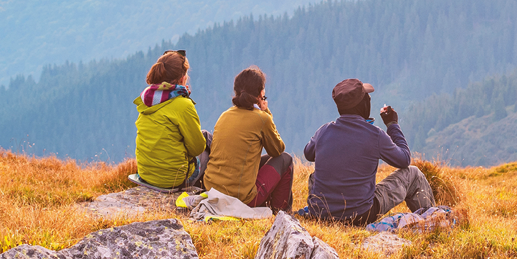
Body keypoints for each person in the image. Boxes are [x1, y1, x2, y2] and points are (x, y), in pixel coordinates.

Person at [303, 78, 434, 225]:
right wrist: (392, 125)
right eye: (367, 97)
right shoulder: (375, 135)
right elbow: (404, 160)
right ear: (364, 105)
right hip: (360, 216)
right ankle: (432, 220)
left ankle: (324, 212)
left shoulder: (323, 131)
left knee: (315, 175)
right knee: (413, 173)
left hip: (320, 213)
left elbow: (309, 154)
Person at [204, 66, 294, 212]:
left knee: (260, 160)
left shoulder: (225, 115)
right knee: (285, 159)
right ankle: (281, 213)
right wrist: (266, 112)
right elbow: (277, 150)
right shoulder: (261, 118)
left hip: (213, 191)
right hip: (241, 198)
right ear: (261, 93)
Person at [133, 50, 209, 189]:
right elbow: (197, 147)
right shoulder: (183, 105)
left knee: (204, 136)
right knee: (208, 142)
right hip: (173, 180)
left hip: (145, 174)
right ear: (182, 78)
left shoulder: (148, 99)